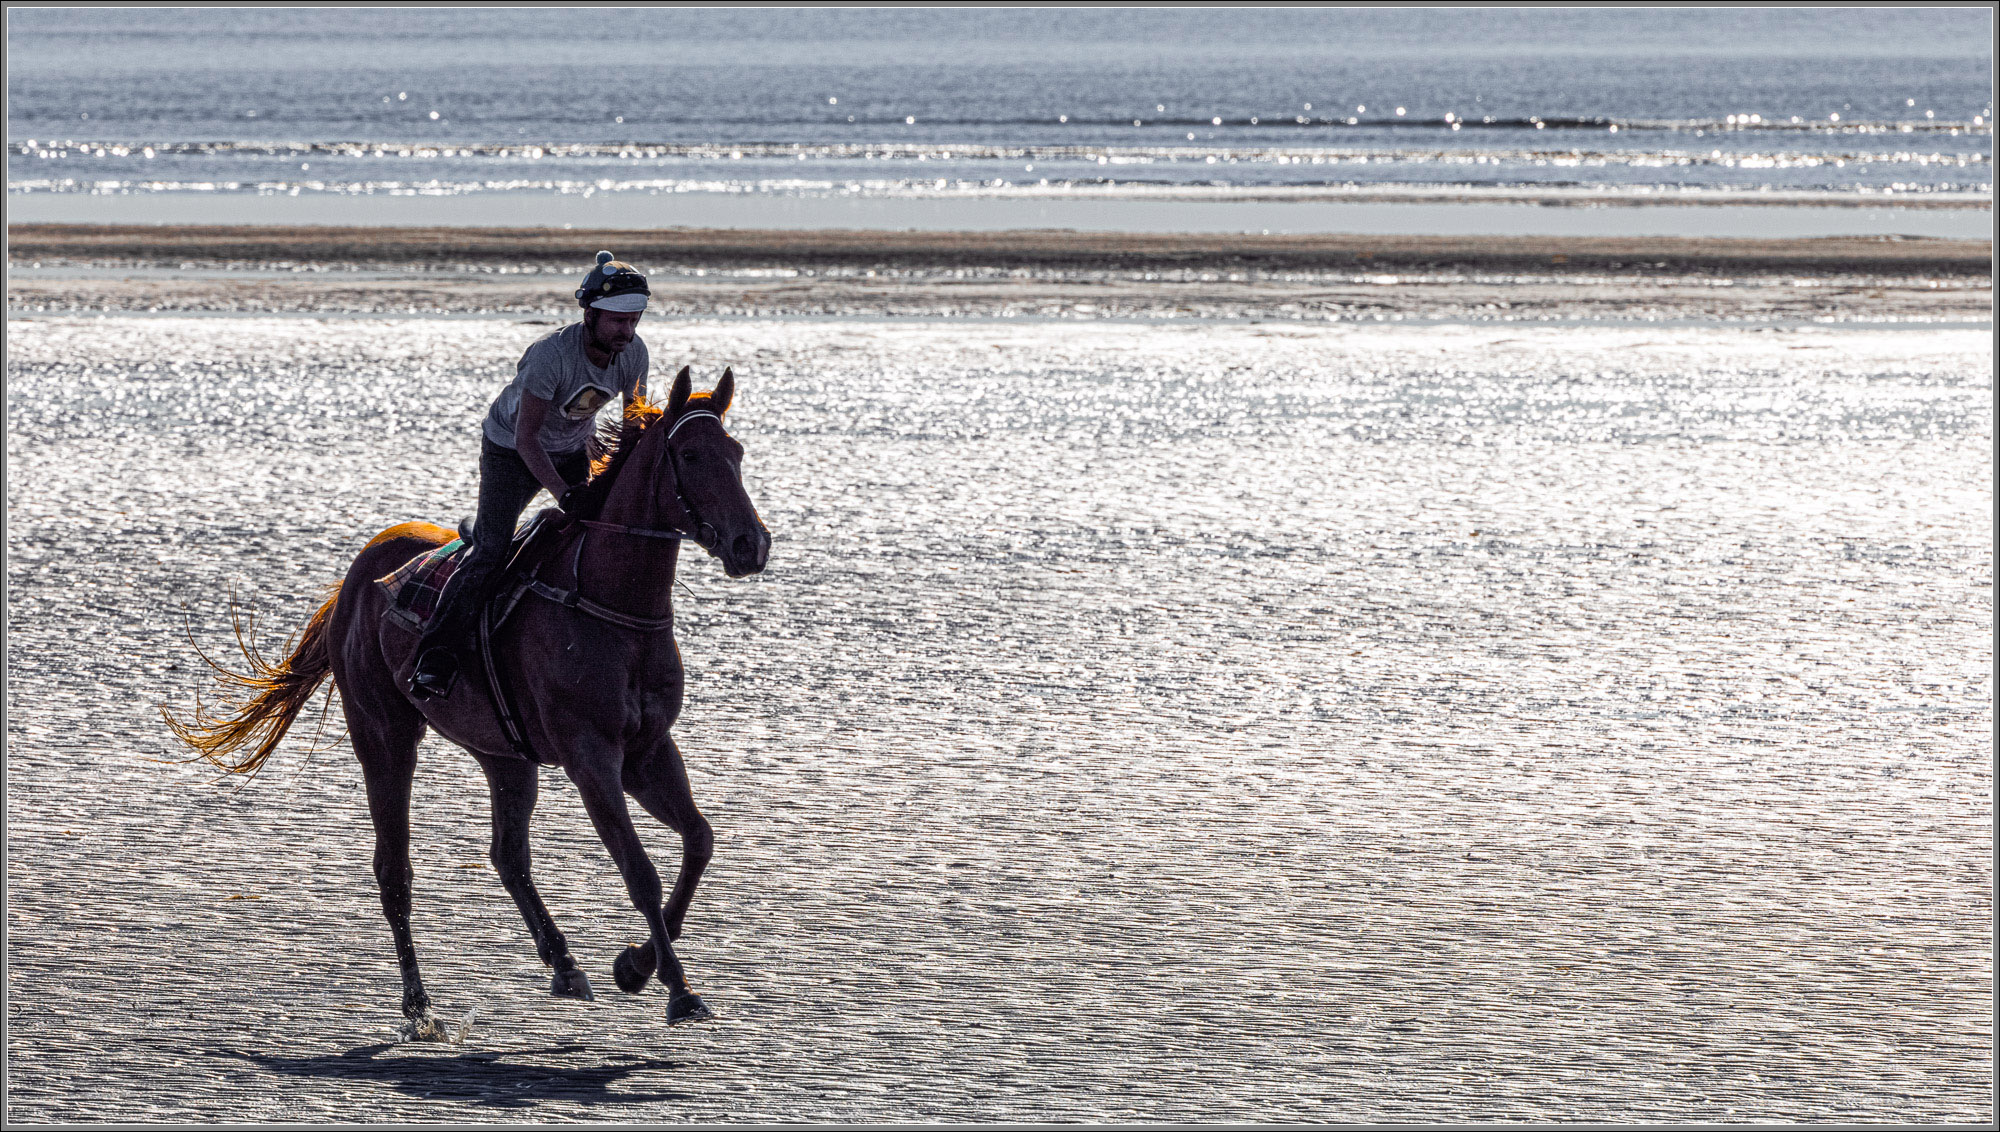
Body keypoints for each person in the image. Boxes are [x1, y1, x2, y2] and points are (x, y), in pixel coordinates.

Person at [407, 250, 652, 699]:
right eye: (618, 321)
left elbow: (633, 428)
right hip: (511, 451)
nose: (627, 332)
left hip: (574, 446)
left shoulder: (634, 355)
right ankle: (435, 658)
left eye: (634, 320)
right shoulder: (550, 356)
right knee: (491, 551)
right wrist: (564, 493)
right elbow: (527, 440)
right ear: (590, 314)